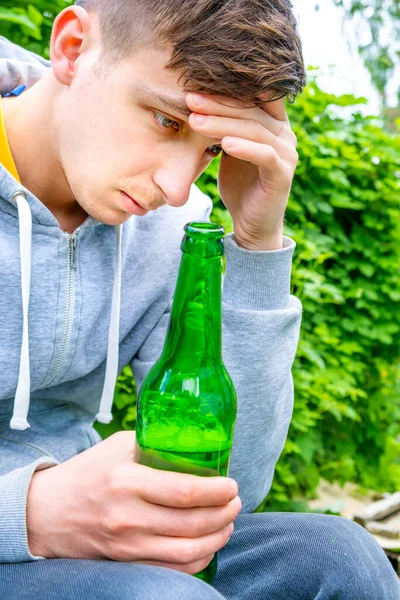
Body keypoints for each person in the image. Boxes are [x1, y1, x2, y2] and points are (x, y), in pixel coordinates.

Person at [0, 1, 398, 599]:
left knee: (344, 558)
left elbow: (231, 481)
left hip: (86, 545)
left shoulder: (174, 231)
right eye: (166, 121)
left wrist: (255, 242)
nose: (177, 188)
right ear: (74, 48)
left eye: (212, 150)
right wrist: (29, 511)